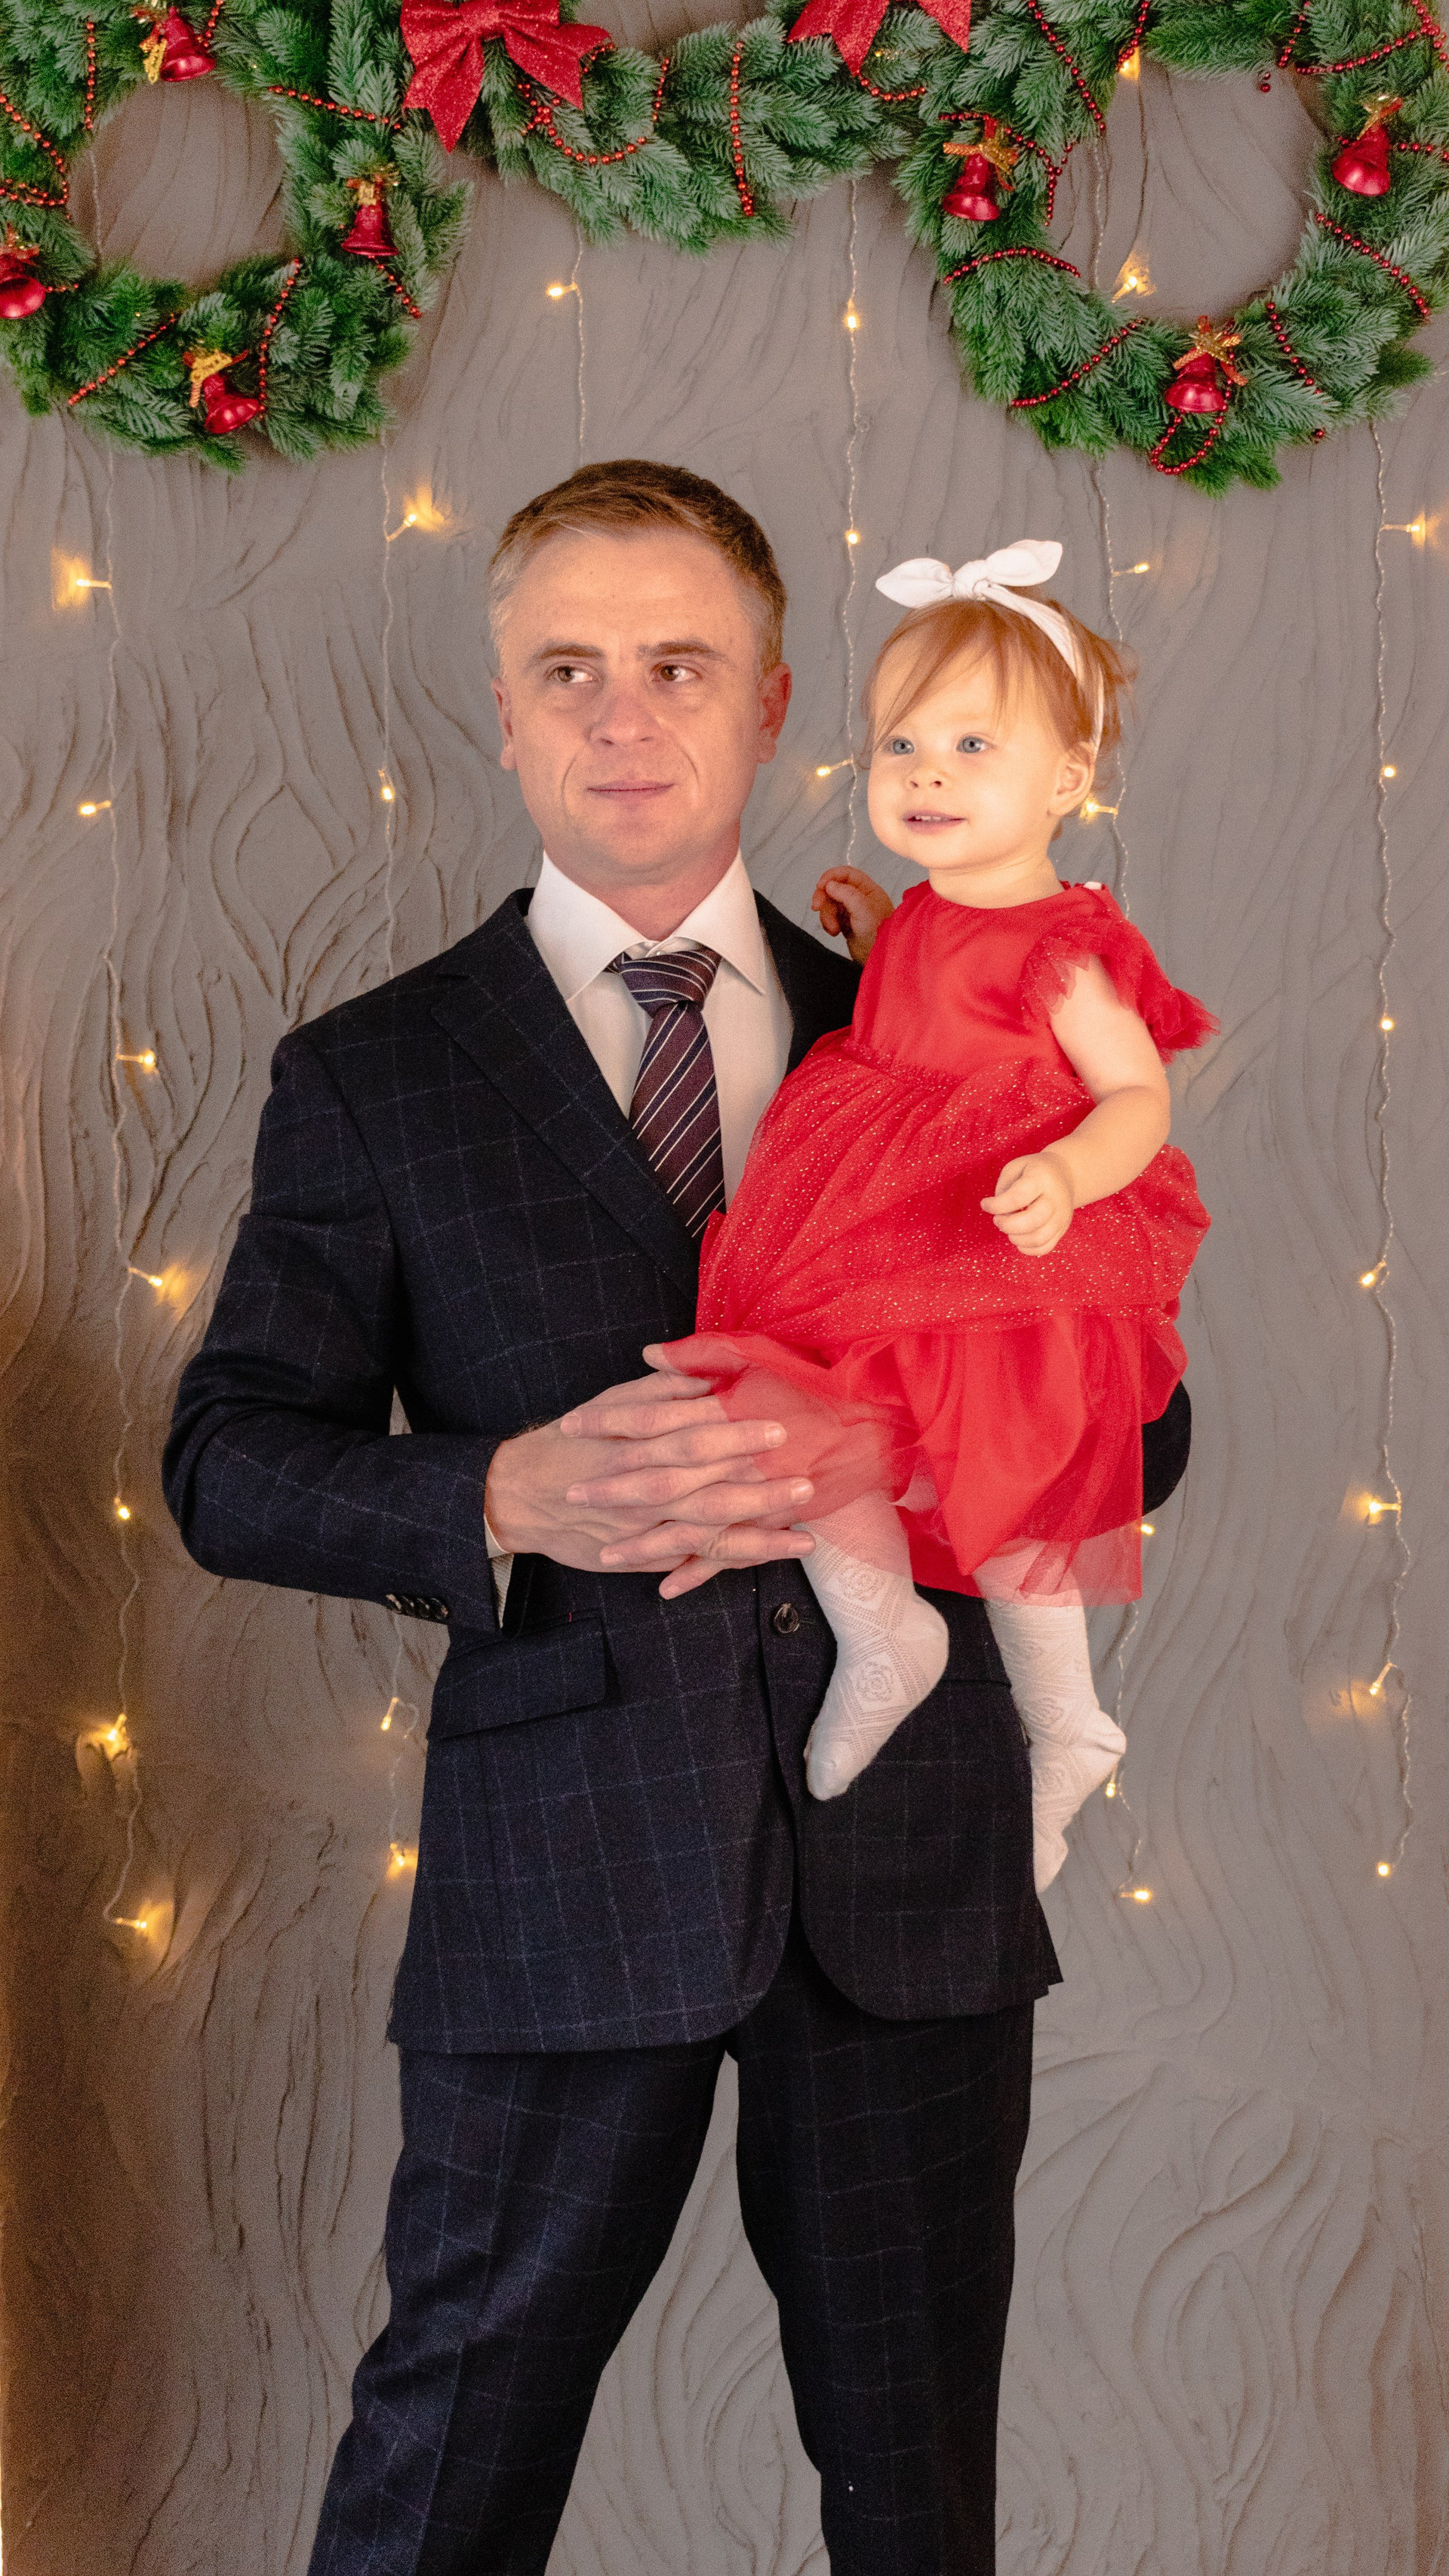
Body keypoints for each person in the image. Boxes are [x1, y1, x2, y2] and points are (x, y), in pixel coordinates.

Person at [163, 463, 1191, 2576]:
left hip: (907, 1872)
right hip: (561, 1873)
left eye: (679, 665)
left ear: (775, 700)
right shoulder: (373, 1071)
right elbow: (228, 1457)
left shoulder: (936, 1016)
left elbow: (1147, 1423)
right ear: (504, 710)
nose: (622, 715)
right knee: (449, 2464)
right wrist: (503, 1490)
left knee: (917, 2494)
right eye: (569, 670)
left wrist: (886, 1452)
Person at [659, 540, 1214, 1890]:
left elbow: (1137, 1094)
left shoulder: (1067, 946)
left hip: (998, 1260)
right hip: (877, 1222)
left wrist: (1071, 1173)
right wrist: (872, 937)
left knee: (1011, 1491)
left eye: (973, 745)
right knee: (792, 1408)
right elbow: (925, 1005)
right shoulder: (921, 913)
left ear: (1067, 778)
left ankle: (1067, 1723)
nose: (926, 774)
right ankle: (883, 1629)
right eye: (900, 744)